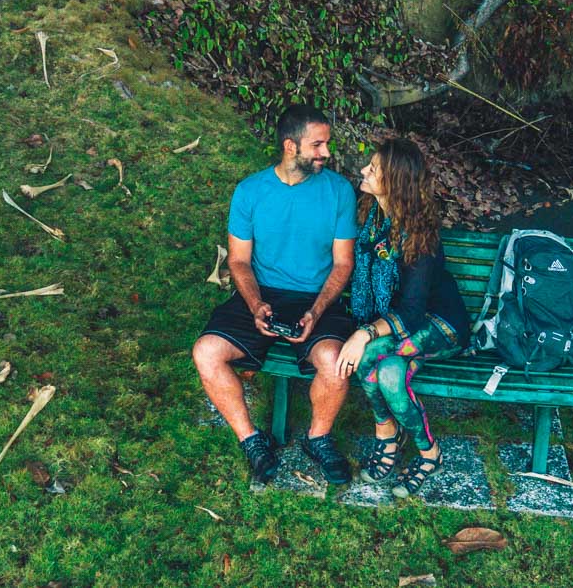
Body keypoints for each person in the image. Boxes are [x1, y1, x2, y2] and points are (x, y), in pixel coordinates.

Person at [192, 104, 358, 485]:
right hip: (262, 292)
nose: (326, 154)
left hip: (317, 297)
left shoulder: (338, 192)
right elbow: (238, 261)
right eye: (318, 145)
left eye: (327, 144)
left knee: (334, 361)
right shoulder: (250, 191)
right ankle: (251, 439)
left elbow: (343, 264)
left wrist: (316, 311)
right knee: (206, 352)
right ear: (290, 146)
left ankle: (318, 438)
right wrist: (255, 305)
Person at [335, 137, 471, 498]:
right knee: (382, 367)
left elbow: (412, 313)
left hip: (440, 326)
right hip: (402, 323)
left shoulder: (420, 236)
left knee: (389, 371)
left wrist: (363, 332)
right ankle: (388, 436)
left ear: (394, 181)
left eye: (373, 169)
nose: (363, 171)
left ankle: (429, 454)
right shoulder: (371, 215)